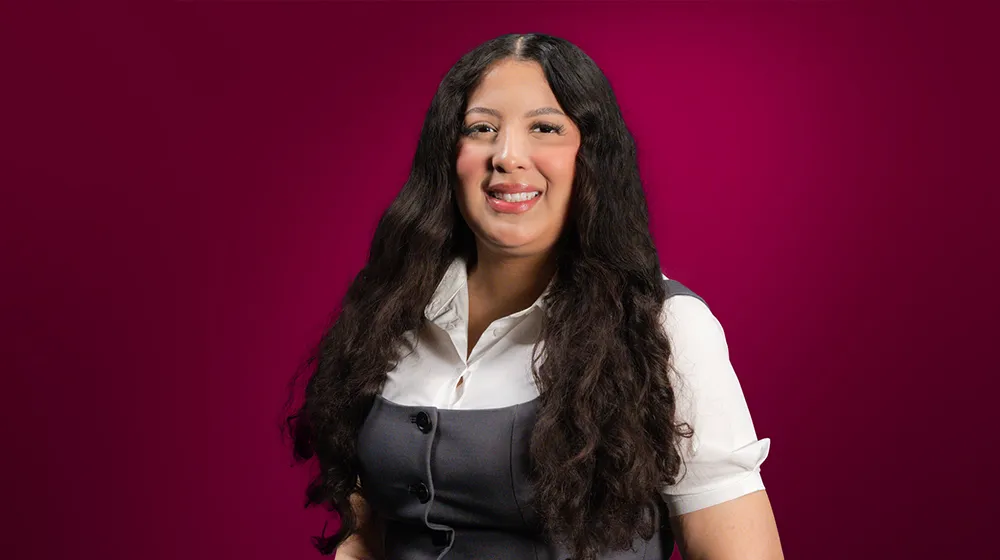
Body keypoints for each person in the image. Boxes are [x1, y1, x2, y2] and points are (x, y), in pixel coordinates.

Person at [284, 33, 783, 560]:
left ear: (591, 156)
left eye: (544, 128)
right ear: (449, 156)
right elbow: (364, 533)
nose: (508, 156)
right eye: (482, 129)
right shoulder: (389, 316)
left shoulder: (665, 326)